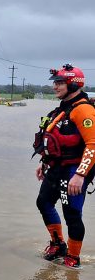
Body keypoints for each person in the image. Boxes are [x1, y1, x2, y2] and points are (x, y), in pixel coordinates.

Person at [33, 64, 95, 268]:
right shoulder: (62, 109)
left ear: (72, 84)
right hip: (56, 167)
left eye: (59, 83)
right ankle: (58, 244)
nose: (55, 87)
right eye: (55, 83)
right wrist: (44, 163)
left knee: (72, 214)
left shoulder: (83, 110)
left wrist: (80, 174)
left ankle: (73, 257)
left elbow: (93, 145)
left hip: (75, 170)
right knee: (43, 202)